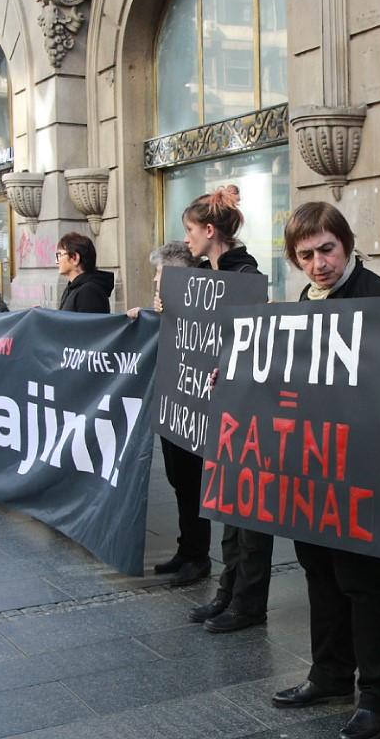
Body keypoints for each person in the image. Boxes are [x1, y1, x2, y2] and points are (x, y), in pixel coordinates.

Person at [270, 202, 380, 739]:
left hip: (356, 470)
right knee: (318, 573)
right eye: (305, 255)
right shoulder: (300, 303)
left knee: (363, 584)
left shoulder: (377, 297)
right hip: (309, 468)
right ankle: (330, 673)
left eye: (326, 250)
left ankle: (379, 696)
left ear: (346, 243)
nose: (318, 264)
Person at [178, 184, 274, 633]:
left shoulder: (244, 274)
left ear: (210, 230)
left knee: (250, 513)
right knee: (229, 510)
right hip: (218, 409)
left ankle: (248, 602)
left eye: (192, 231)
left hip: (247, 409)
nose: (188, 240)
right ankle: (228, 592)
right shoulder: (201, 274)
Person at [129, 241, 213, 587]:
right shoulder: (169, 306)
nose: (155, 281)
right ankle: (186, 549)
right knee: (180, 481)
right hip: (174, 403)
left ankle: (198, 556)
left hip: (195, 407)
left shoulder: (207, 298)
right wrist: (148, 316)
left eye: (160, 274)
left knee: (193, 483)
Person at [56, 233, 114, 312]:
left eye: (59, 255)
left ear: (75, 258)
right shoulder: (72, 288)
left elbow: (88, 324)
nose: (56, 261)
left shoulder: (89, 291)